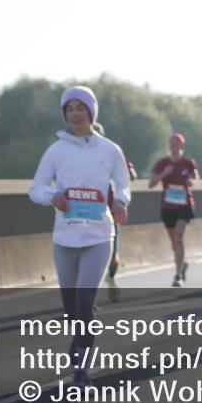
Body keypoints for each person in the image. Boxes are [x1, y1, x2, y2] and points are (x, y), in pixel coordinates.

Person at [29, 86, 131, 387]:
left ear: (90, 112)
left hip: (99, 235)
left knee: (85, 302)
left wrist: (121, 201)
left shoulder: (110, 149)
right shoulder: (56, 150)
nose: (74, 113)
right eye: (69, 108)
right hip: (65, 238)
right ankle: (80, 342)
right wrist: (53, 196)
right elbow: (35, 188)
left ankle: (81, 364)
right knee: (71, 306)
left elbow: (123, 184)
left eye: (80, 108)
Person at [91, 122, 137, 303]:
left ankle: (110, 278)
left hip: (109, 213)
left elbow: (130, 176)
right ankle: (87, 300)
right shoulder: (78, 156)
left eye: (96, 133)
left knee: (112, 257)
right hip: (87, 213)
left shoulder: (111, 153)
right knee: (88, 256)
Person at [149, 133, 198, 287]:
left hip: (184, 205)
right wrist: (164, 174)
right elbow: (151, 184)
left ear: (181, 146)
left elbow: (195, 178)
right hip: (168, 206)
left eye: (176, 144)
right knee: (174, 242)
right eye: (171, 144)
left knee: (178, 237)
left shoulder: (188, 163)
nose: (173, 147)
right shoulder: (162, 163)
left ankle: (178, 276)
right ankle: (182, 264)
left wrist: (191, 181)